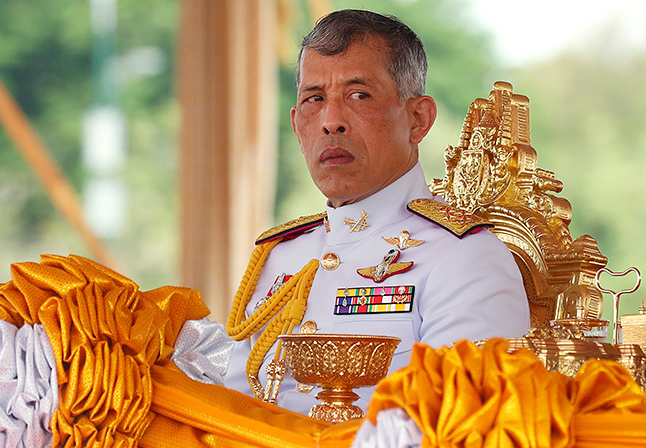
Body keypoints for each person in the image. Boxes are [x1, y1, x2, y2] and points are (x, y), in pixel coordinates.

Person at [224, 9, 530, 416]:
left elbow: (456, 430)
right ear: (297, 127)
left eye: (359, 95)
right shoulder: (278, 256)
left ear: (418, 120)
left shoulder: (466, 258)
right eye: (315, 99)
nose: (331, 122)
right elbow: (228, 410)